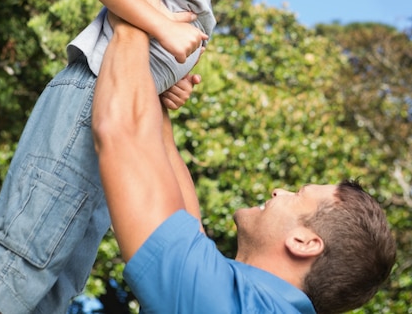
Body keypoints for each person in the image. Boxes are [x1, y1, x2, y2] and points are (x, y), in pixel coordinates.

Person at [0, 0, 301, 314]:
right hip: (87, 99)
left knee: (64, 268)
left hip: (116, 125)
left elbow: (151, 59)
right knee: (32, 246)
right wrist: (160, 26)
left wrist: (167, 86)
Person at [92, 16, 396, 314]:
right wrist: (163, 83)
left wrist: (135, 15)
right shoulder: (246, 301)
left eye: (298, 195)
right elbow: (182, 221)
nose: (279, 191)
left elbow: (121, 133)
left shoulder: (224, 303)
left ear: (304, 242)